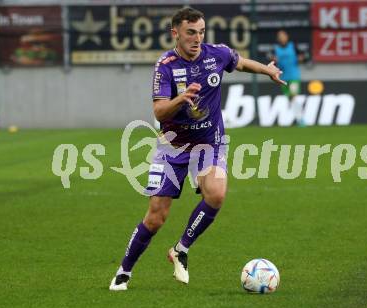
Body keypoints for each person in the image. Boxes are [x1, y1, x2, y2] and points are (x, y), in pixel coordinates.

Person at [110, 7, 284, 291]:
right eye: (191, 32)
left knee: (216, 193)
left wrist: (267, 70)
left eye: (201, 32)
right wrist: (181, 99)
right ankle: (124, 271)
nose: (197, 38)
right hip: (173, 147)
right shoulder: (165, 66)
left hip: (209, 143)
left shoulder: (216, 54)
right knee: (156, 216)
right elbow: (159, 110)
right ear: (175, 33)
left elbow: (240, 62)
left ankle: (181, 248)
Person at [273, 29, 305, 126]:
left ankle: (301, 119)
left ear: (287, 37)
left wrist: (300, 59)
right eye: (279, 36)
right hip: (283, 77)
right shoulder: (276, 49)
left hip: (294, 76)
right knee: (290, 98)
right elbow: (273, 62)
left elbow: (302, 56)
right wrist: (274, 61)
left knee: (294, 95)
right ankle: (299, 117)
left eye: (283, 36)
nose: (281, 38)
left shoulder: (293, 46)